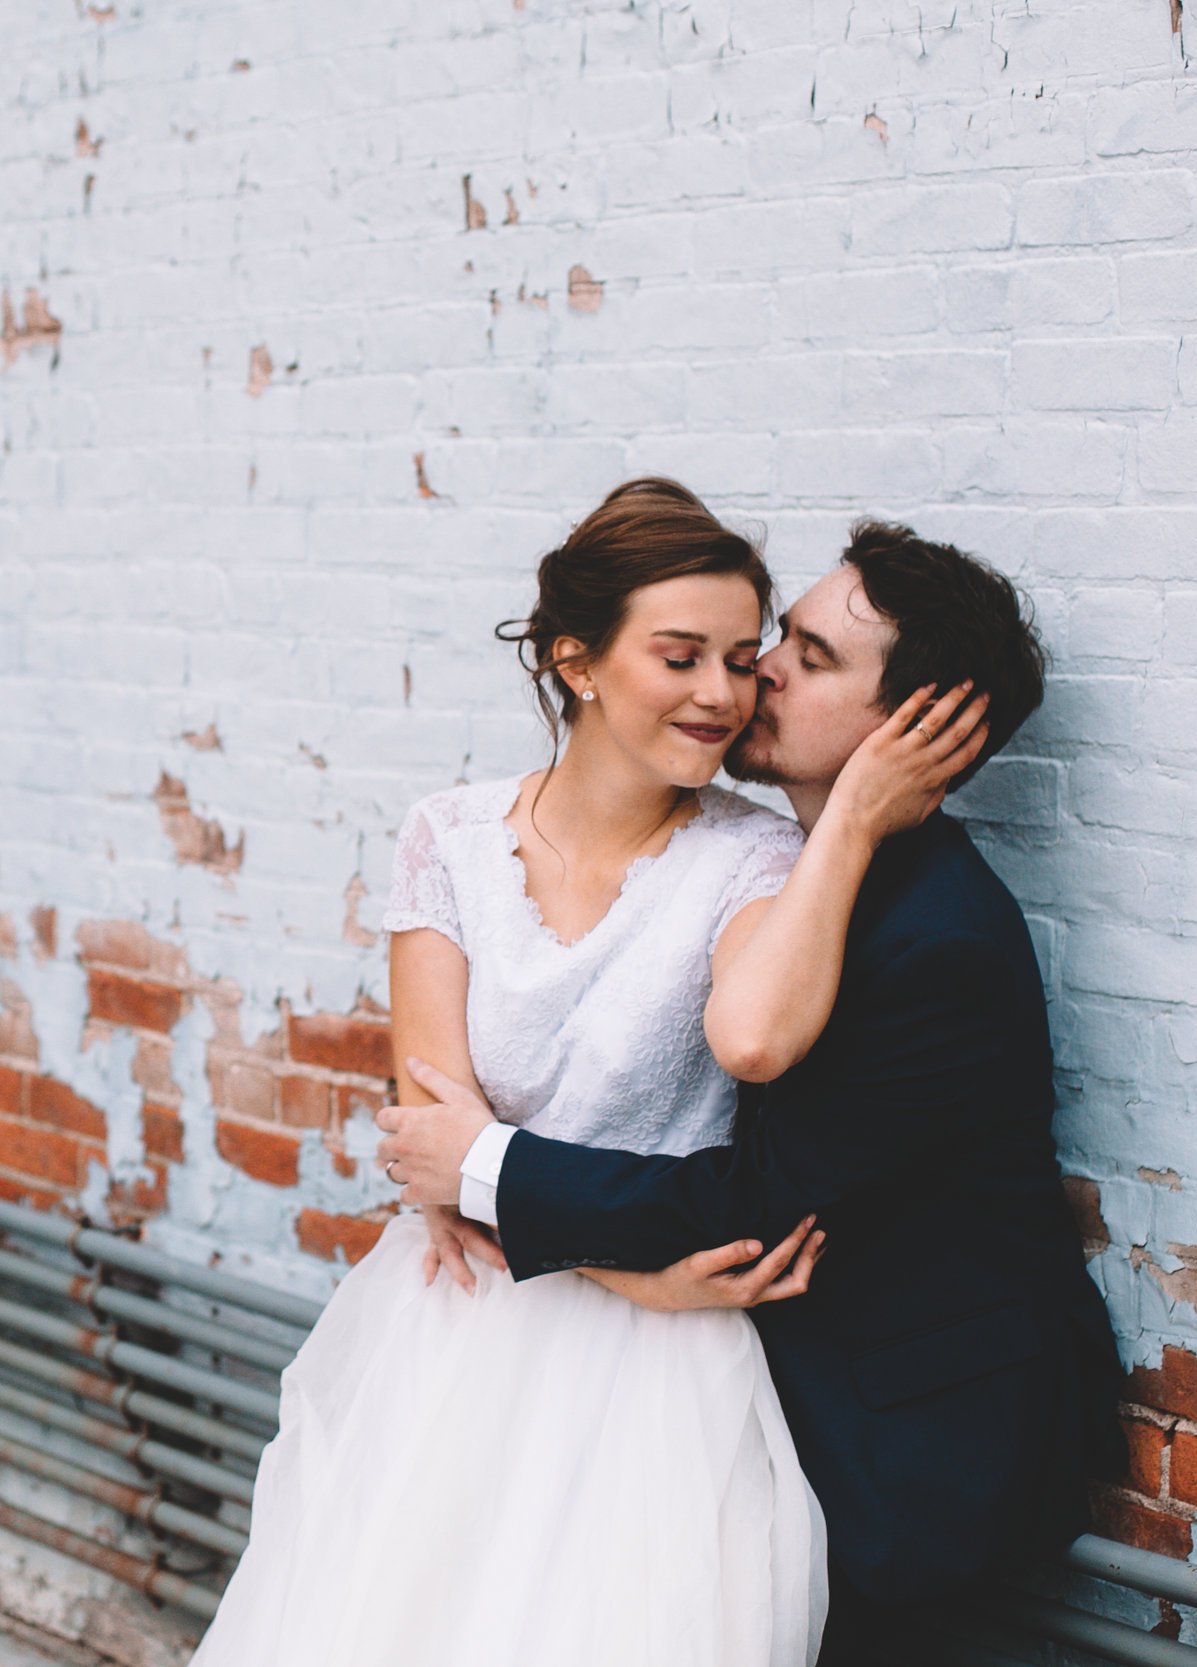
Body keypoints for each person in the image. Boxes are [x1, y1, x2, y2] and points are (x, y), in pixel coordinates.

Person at [191, 481, 982, 1667]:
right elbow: (428, 1139)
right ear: (579, 660)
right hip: (463, 1329)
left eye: (738, 656)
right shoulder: (449, 836)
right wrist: (634, 1280)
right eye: (679, 656)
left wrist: (851, 826)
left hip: (659, 1374)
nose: (722, 693)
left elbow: (754, 1040)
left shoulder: (760, 855)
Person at [378, 519, 1127, 1666]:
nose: (757, 668)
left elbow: (758, 1195)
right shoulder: (808, 873)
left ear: (907, 729)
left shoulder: (938, 942)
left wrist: (482, 1164)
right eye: (780, 633)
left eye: (811, 656)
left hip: (907, 1442)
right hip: (744, 1391)